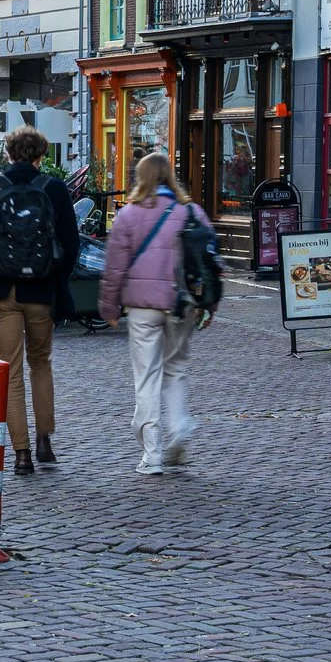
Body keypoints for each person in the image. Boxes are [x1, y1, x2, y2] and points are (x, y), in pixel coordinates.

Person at [0, 126, 81, 475]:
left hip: (3, 292)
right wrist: (57, 276)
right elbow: (71, 244)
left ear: (9, 153)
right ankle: (45, 439)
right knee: (41, 363)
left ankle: (22, 452)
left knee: (9, 371)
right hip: (42, 292)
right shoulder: (55, 189)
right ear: (41, 154)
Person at [100, 152, 204, 474]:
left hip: (143, 306)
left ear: (140, 178)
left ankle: (153, 454)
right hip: (182, 304)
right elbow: (208, 262)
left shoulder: (128, 215)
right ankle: (180, 426)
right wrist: (208, 304)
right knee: (175, 369)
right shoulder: (192, 212)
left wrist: (108, 305)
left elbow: (114, 266)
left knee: (147, 376)